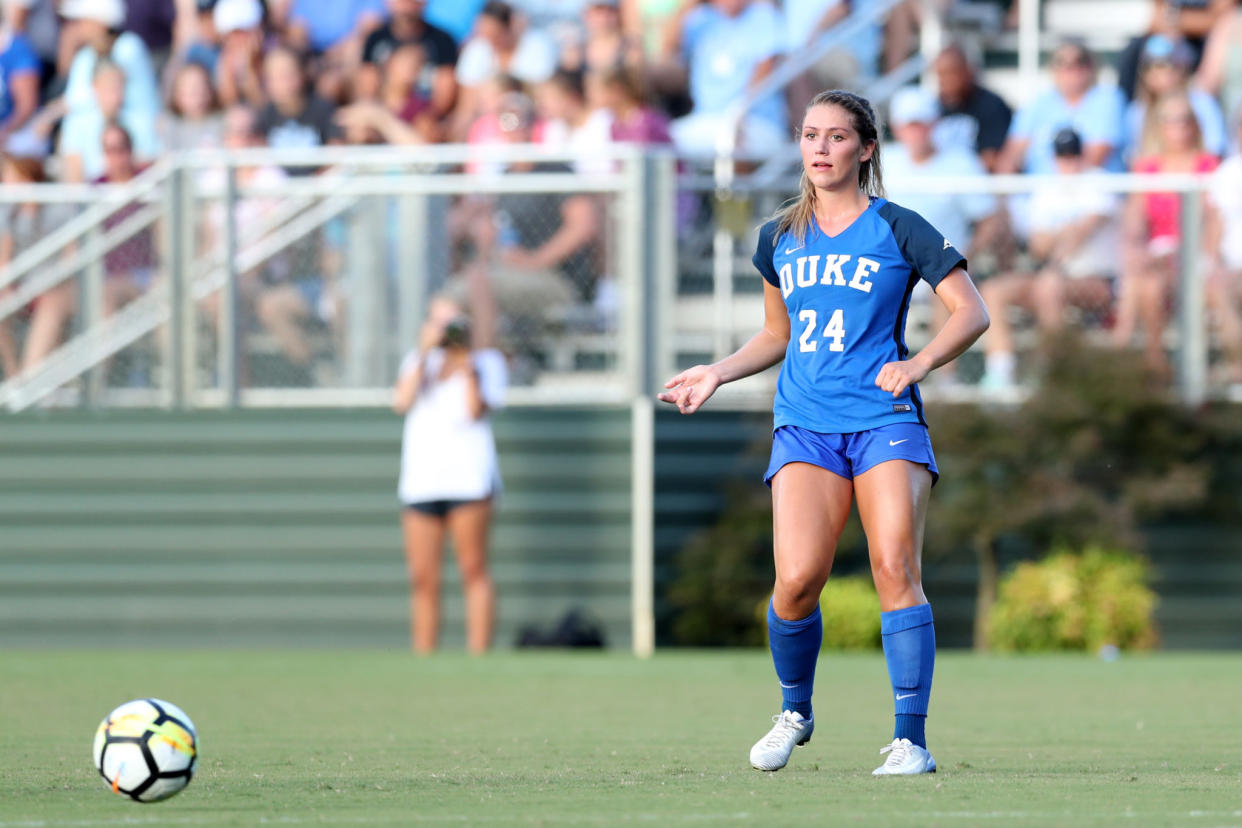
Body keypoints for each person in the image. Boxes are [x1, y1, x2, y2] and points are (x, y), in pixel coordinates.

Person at [658, 89, 988, 775]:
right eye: (811, 134)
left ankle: (910, 740)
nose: (820, 148)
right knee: (797, 581)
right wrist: (718, 371)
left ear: (866, 148)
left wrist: (919, 362)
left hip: (883, 421)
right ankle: (795, 710)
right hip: (805, 424)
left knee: (895, 566)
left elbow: (971, 312)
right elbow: (778, 333)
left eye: (838, 137)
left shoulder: (900, 227)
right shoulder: (776, 237)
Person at [392, 267, 508, 654]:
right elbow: (402, 402)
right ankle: (424, 656)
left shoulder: (486, 362)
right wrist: (425, 352)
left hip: (469, 479)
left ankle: (479, 656)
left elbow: (476, 410)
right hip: (423, 479)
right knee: (422, 578)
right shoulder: (416, 361)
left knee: (473, 569)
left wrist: (467, 361)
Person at [979, 128, 1120, 389]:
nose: (1069, 161)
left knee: (1049, 285)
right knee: (994, 290)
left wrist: (1060, 235)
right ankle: (1000, 373)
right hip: (1055, 276)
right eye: (1063, 155)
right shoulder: (1047, 188)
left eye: (1073, 154)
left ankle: (1054, 368)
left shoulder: (1100, 182)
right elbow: (1039, 246)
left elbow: (1085, 230)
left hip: (1098, 280)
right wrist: (1068, 233)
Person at [1118, 92, 1219, 377]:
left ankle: (1124, 343)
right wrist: (1139, 250)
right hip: (1159, 257)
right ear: (1159, 126)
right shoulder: (1146, 168)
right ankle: (1156, 363)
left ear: (1194, 124)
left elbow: (1212, 221)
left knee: (1145, 281)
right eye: (1170, 120)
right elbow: (1134, 221)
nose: (1178, 127)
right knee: (1147, 284)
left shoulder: (1208, 165)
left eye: (1184, 119)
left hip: (1196, 254)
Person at [665, 0, 787, 158]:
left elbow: (763, 74)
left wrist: (738, 116)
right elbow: (668, 48)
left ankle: (743, 183)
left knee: (733, 139)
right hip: (705, 119)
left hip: (755, 120)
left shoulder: (764, 16)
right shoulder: (701, 20)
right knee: (659, 140)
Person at [0, 154, 76, 378]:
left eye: (10, 177)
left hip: (58, 289)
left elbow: (71, 258)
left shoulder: (58, 210)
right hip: (25, 290)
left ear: (27, 179)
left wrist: (50, 284)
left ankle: (31, 381)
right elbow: (4, 259)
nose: (5, 183)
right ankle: (16, 376)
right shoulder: (9, 214)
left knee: (51, 305)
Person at [1123, 34, 1226, 161]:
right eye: (1150, 66)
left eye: (1165, 65)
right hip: (1153, 178)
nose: (1157, 72)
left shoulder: (1202, 103)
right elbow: (1134, 157)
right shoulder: (1138, 111)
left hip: (1198, 176)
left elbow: (1215, 149)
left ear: (1181, 68)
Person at [931, 43, 1012, 172]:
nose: (944, 82)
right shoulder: (934, 107)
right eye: (940, 75)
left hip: (977, 185)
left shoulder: (991, 105)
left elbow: (993, 157)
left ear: (967, 71)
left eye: (950, 73)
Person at [1205, 107, 1242, 385]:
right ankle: (1237, 363)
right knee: (1216, 286)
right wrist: (1213, 263)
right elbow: (1214, 226)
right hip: (1233, 268)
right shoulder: (1229, 173)